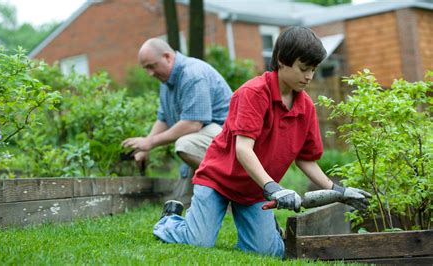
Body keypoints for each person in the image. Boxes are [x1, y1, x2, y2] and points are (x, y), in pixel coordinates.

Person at [152, 26, 371, 258]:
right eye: (303, 68)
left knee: (268, 253)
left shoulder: (305, 107)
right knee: (198, 242)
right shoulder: (253, 93)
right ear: (281, 61)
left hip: (255, 190)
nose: (309, 76)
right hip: (218, 181)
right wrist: (274, 188)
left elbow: (305, 160)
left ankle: (268, 232)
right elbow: (243, 149)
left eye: (314, 70)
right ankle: (171, 220)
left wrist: (338, 191)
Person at [122, 38, 233, 206]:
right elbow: (164, 119)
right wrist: (144, 146)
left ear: (167, 57)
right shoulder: (166, 81)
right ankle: (209, 198)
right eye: (146, 69)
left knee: (185, 144)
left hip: (229, 140)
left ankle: (232, 190)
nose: (150, 73)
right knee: (179, 202)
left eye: (152, 66)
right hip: (205, 140)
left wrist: (150, 142)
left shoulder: (192, 74)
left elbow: (192, 124)